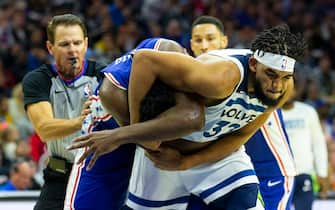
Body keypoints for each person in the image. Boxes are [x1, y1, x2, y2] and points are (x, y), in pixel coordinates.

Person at [69, 24, 306, 209]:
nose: (277, 85)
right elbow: (144, 59)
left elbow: (240, 135)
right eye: (271, 75)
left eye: (285, 77)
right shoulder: (220, 78)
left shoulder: (283, 88)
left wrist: (187, 162)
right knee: (192, 117)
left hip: (214, 155)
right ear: (254, 64)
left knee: (246, 201)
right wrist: (135, 130)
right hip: (163, 152)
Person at [63, 37, 202, 210]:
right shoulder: (111, 95)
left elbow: (193, 117)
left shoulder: (171, 54)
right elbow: (148, 141)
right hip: (108, 126)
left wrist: (186, 160)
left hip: (133, 125)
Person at [22, 14, 105, 210]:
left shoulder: (104, 76)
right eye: (65, 44)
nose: (72, 50)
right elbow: (44, 129)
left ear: (85, 44)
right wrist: (81, 121)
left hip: (96, 173)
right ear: (50, 47)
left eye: (77, 43)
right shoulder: (38, 80)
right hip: (59, 176)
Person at [281, 90, 328, 210]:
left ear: (295, 89)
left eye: (290, 87)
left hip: (304, 173)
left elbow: (318, 143)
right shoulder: (270, 112)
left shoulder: (308, 111)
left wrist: (322, 172)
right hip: (279, 175)